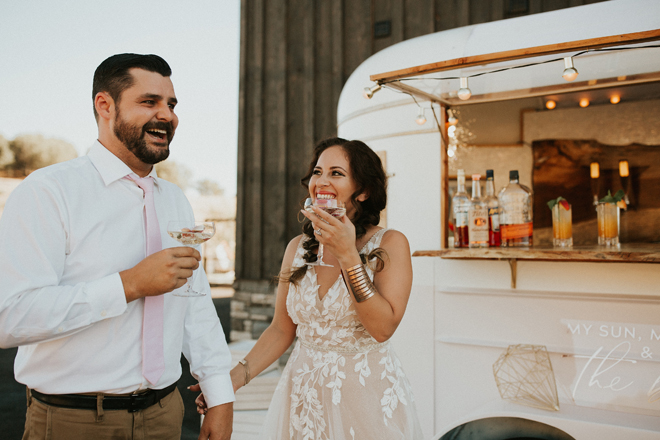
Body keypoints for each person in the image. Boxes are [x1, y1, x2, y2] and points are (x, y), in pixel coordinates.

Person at [0, 54, 234, 440]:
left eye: (171, 104)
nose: (168, 115)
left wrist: (220, 393)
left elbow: (194, 303)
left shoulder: (175, 200)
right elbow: (10, 316)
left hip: (165, 416)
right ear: (105, 105)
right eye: (149, 102)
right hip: (72, 421)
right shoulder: (48, 192)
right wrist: (129, 284)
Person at [194, 137, 423, 439]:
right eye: (317, 172)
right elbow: (281, 329)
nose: (321, 181)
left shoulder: (390, 243)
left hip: (365, 400)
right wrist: (229, 382)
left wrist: (348, 255)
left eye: (336, 173)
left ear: (364, 190)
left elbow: (382, 328)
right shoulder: (298, 248)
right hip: (304, 399)